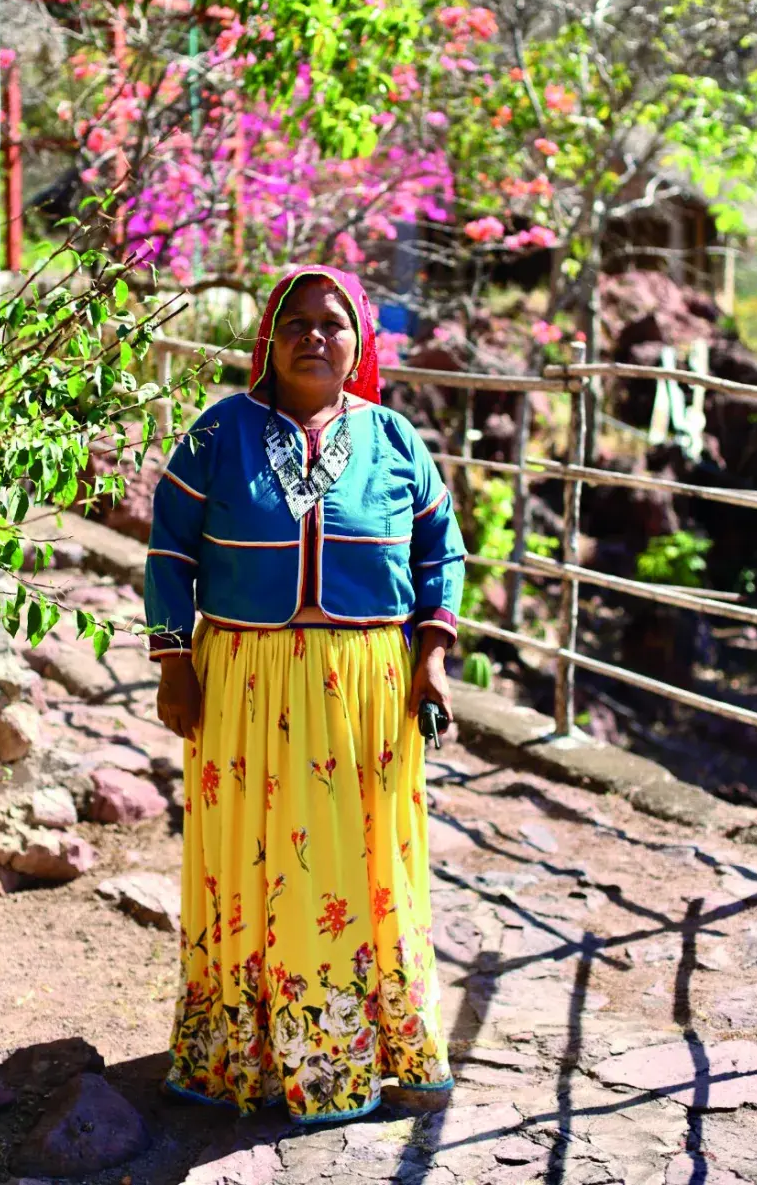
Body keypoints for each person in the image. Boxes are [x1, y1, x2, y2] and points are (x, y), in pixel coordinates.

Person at [145, 265, 466, 1123]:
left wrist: (432, 654)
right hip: (246, 680)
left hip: (367, 685)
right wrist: (176, 660)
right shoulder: (220, 434)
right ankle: (247, 1047)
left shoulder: (396, 438)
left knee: (364, 863)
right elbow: (170, 548)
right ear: (268, 337)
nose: (313, 335)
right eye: (296, 320)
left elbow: (443, 551)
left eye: (332, 322)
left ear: (358, 341)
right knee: (251, 856)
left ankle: (360, 1041)